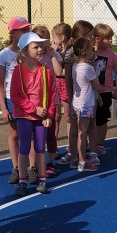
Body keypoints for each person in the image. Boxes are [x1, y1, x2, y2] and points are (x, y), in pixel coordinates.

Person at [10, 31, 56, 196]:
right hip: (24, 116)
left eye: (41, 47)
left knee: (40, 148)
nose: (40, 50)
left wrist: (49, 114)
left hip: (41, 118)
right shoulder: (18, 71)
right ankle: (22, 181)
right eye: (36, 47)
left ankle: (42, 179)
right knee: (24, 148)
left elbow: (51, 94)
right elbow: (15, 96)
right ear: (25, 50)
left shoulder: (46, 71)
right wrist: (33, 108)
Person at [0, 16, 38, 186]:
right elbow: (0, 84)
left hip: (31, 98)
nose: (26, 32)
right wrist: (3, 108)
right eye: (23, 29)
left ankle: (32, 167)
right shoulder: (4, 54)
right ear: (12, 32)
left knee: (32, 135)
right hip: (12, 100)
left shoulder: (30, 52)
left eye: (28, 29)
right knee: (15, 134)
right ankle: (16, 167)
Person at [60, 20, 95, 168]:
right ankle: (76, 157)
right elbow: (68, 79)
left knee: (88, 126)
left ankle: (90, 153)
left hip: (88, 96)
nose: (91, 38)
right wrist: (70, 96)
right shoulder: (71, 54)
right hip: (77, 98)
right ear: (81, 35)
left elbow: (93, 72)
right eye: (89, 35)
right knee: (77, 129)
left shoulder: (90, 52)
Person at [31, 25, 64, 179]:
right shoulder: (31, 55)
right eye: (40, 43)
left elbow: (58, 72)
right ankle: (35, 164)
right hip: (35, 100)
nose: (43, 47)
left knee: (50, 131)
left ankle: (50, 162)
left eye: (46, 42)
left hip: (51, 98)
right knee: (36, 133)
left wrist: (52, 56)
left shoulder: (52, 54)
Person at [91, 23, 117, 157]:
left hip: (105, 92)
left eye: (111, 38)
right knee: (89, 120)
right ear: (97, 39)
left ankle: (99, 144)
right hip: (90, 92)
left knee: (101, 119)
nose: (110, 41)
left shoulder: (112, 55)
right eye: (107, 38)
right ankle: (90, 143)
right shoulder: (89, 51)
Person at [71, 37, 101, 172]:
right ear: (86, 51)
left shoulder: (75, 65)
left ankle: (80, 159)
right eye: (91, 48)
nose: (92, 51)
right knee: (82, 133)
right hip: (86, 104)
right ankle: (82, 161)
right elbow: (96, 85)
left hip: (77, 103)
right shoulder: (88, 68)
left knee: (81, 132)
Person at [50, 22, 72, 161]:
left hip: (66, 85)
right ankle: (54, 146)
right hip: (55, 85)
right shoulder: (55, 50)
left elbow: (64, 71)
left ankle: (71, 146)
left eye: (54, 37)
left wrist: (63, 72)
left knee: (68, 117)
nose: (53, 40)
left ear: (62, 37)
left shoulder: (70, 51)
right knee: (56, 117)